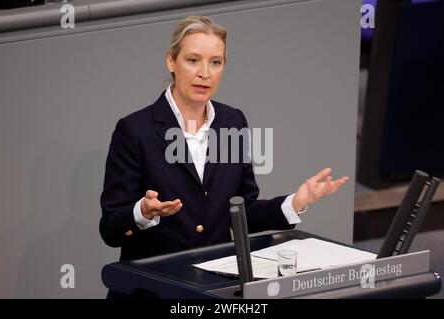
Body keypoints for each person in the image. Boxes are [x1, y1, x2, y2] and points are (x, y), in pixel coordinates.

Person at [100, 15, 348, 297]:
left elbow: (241, 212)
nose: (205, 72)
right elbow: (110, 229)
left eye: (215, 62)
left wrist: (295, 202)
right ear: (171, 62)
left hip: (213, 290)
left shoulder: (232, 121)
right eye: (193, 60)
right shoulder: (135, 130)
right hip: (153, 291)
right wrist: (142, 213)